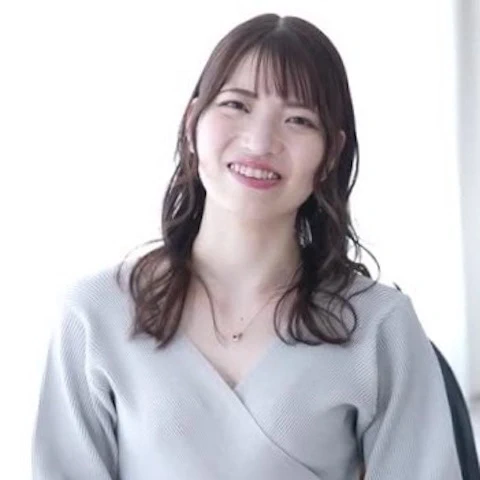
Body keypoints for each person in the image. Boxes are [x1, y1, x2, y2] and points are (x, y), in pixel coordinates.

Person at [32, 13, 463, 479]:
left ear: (331, 154)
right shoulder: (94, 314)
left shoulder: (380, 326)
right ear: (192, 123)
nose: (260, 142)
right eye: (236, 105)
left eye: (298, 120)